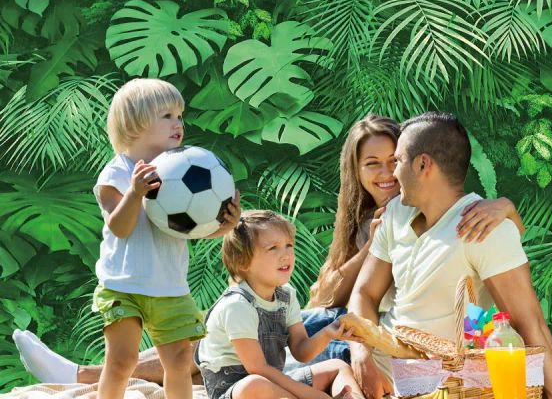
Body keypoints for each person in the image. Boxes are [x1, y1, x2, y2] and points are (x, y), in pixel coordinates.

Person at [12, 114, 523, 385]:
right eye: (372, 164)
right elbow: (325, 290)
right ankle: (87, 373)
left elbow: (490, 233)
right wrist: (364, 249)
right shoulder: (370, 221)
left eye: (395, 160)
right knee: (230, 331)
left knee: (230, 341)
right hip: (333, 322)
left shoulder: (431, 211)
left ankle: (82, 374)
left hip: (378, 339)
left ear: (418, 162)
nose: (386, 172)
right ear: (357, 172)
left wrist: (504, 205)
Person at [346, 111, 552, 399]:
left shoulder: (484, 227)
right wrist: (362, 358)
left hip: (438, 384)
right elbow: (363, 293)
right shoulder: (396, 213)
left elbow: (529, 322)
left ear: (423, 164)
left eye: (397, 161)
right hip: (371, 362)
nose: (393, 173)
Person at [76, 78, 241, 399]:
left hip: (169, 287)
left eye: (179, 115)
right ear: (133, 123)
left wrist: (227, 225)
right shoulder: (118, 173)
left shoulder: (183, 168)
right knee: (123, 359)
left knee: (179, 360)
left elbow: (195, 228)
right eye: (166, 115)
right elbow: (120, 228)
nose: (178, 123)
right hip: (123, 286)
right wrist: (136, 192)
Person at [198, 209, 363, 399]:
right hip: (238, 391)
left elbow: (301, 351)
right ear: (243, 261)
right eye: (273, 248)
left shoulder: (286, 296)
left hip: (274, 384)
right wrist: (313, 396)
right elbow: (258, 369)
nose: (286, 254)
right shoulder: (237, 305)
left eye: (288, 245)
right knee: (255, 385)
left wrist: (329, 332)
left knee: (338, 367)